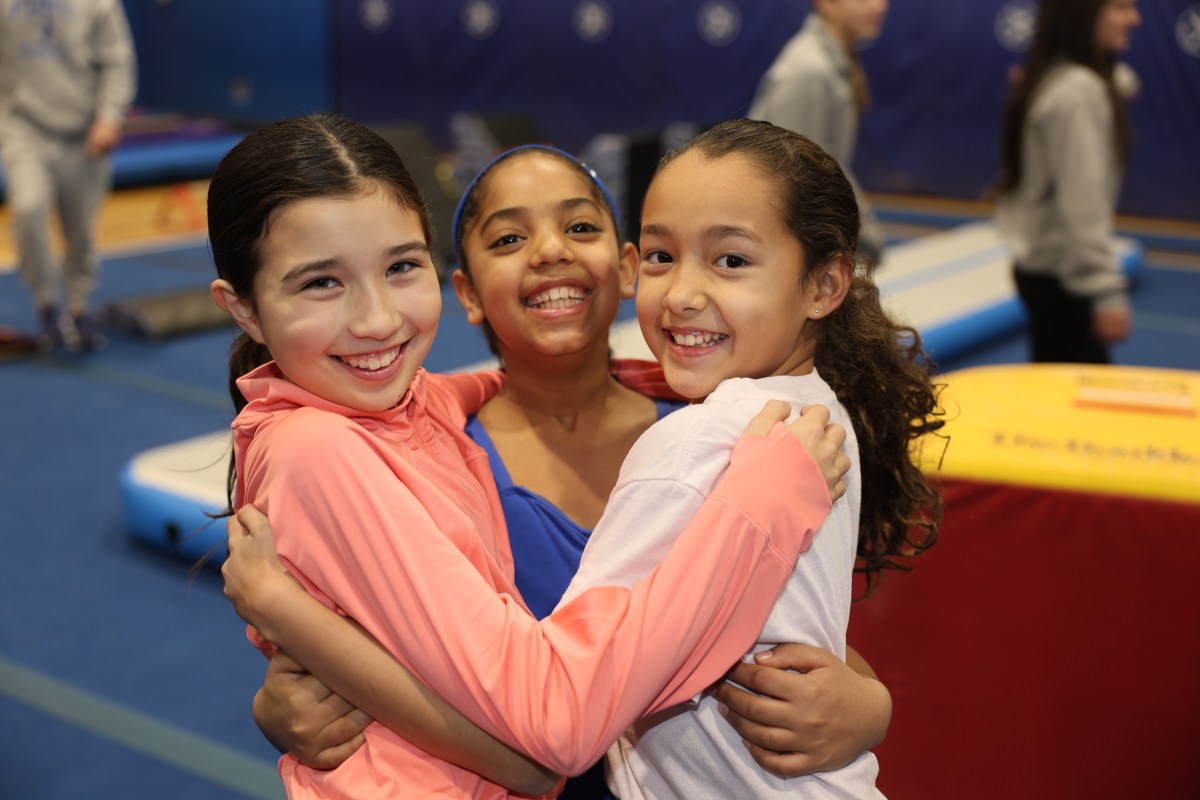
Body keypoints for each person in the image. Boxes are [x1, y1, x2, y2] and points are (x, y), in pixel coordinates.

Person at [209, 112, 852, 799]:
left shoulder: (706, 422)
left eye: (400, 267)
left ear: (628, 264)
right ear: (469, 290)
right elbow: (541, 745)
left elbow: (802, 626)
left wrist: (868, 705)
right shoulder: (386, 442)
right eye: (510, 238)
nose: (375, 320)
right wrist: (290, 624)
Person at [994, 0, 1141, 364]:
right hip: (1064, 280)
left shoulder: (1056, 76)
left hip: (1043, 272)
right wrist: (1106, 293)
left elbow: (1122, 81)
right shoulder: (1079, 92)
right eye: (1121, 8)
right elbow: (1083, 204)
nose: (1134, 18)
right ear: (1085, 14)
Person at [0, 0, 137, 352]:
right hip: (23, 127)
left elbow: (117, 60)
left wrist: (109, 116)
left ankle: (78, 311)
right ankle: (46, 305)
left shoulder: (98, 4)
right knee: (28, 209)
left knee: (80, 230)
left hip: (83, 131)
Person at [748, 0, 888, 265]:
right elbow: (797, 176)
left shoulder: (837, 62)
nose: (878, 6)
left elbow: (830, 163)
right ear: (826, 3)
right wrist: (864, 236)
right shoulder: (808, 71)